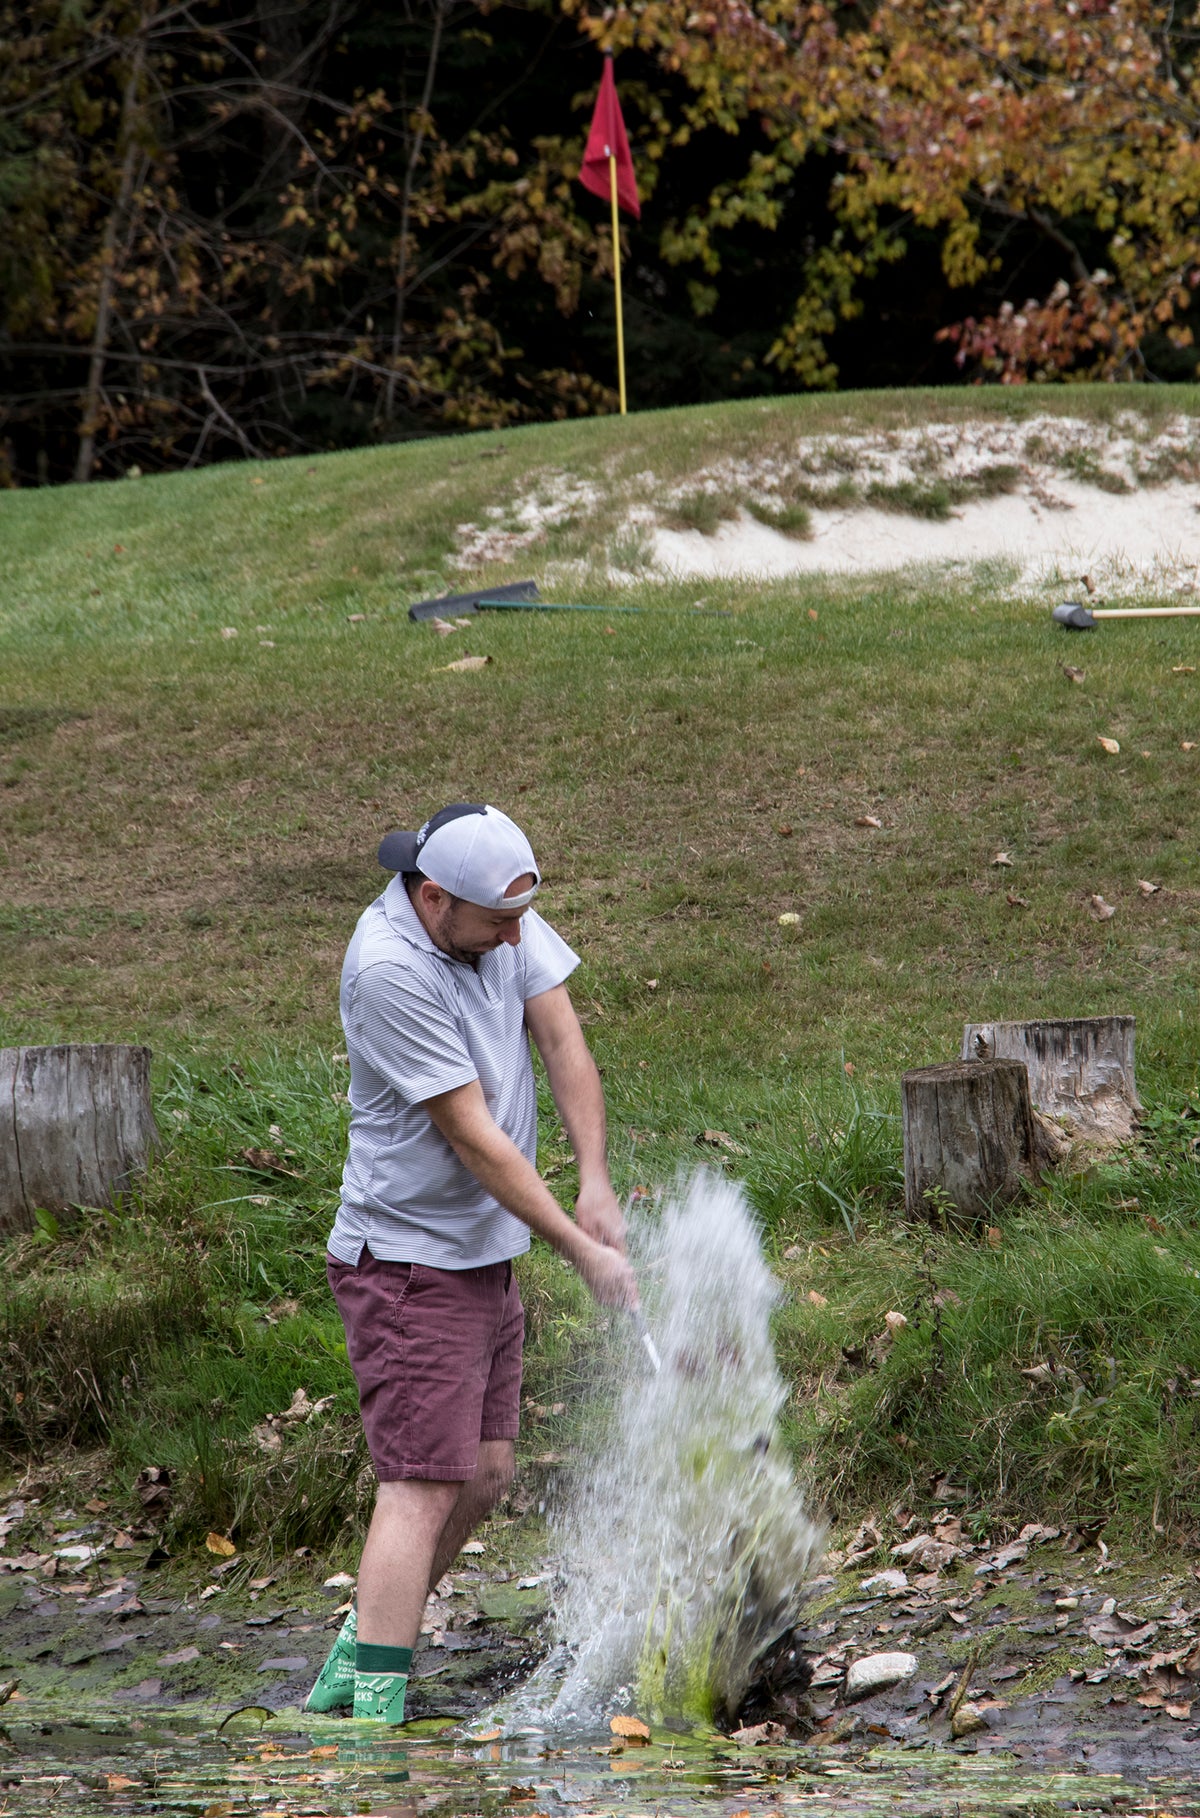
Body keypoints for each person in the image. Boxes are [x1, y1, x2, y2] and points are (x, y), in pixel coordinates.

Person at [306, 802, 637, 1723]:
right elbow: (475, 1140)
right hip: (408, 1263)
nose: (518, 937)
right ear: (433, 896)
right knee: (419, 1485)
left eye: (522, 917)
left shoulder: (498, 912)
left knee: (484, 1476)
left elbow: (563, 1039)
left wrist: (596, 1183)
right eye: (500, 923)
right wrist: (578, 1252)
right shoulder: (386, 971)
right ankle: (377, 1721)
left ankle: (364, 1643)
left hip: (479, 1251)